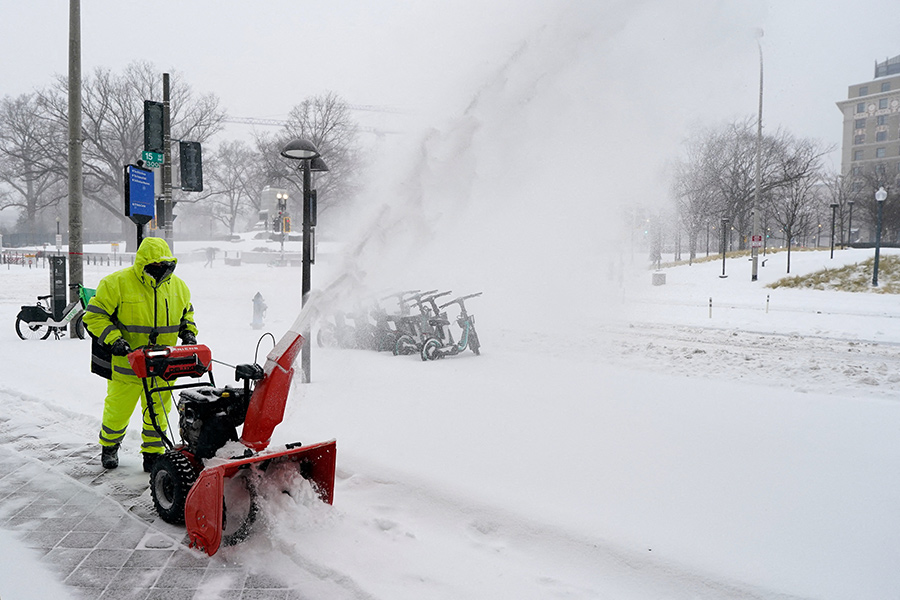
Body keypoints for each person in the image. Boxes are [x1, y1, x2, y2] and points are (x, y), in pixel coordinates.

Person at [83, 237, 198, 473]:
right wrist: (114, 339)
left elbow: (187, 315)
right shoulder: (116, 283)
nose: (159, 269)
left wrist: (188, 332)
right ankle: (110, 446)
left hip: (163, 366)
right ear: (142, 262)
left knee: (158, 412)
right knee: (118, 411)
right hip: (127, 366)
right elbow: (94, 316)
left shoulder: (179, 287)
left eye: (163, 265)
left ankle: (153, 454)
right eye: (154, 265)